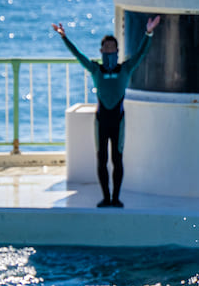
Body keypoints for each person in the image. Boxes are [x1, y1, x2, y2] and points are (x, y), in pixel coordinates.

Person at [52, 16, 161, 208]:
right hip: (101, 120)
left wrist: (148, 33)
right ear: (101, 51)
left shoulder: (125, 68)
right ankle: (106, 197)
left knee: (117, 159)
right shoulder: (96, 69)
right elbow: (78, 55)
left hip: (118, 120)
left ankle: (116, 198)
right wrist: (64, 37)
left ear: (117, 51)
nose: (109, 50)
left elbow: (141, 53)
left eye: (112, 47)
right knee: (101, 159)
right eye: (106, 47)